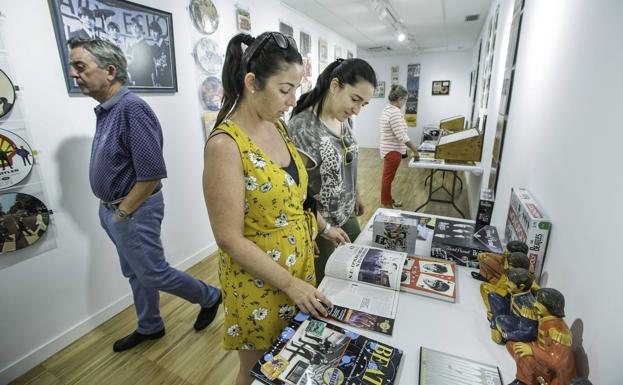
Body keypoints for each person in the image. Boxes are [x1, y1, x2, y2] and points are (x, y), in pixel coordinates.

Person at [203, 31, 347, 385]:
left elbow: (296, 197)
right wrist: (290, 284)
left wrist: (322, 228)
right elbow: (228, 239)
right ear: (252, 83)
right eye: (285, 90)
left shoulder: (277, 126)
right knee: (255, 371)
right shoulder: (225, 145)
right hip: (260, 284)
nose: (292, 99)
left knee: (288, 362)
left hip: (297, 271)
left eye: (295, 89)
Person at [67, 38, 221, 352]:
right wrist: (112, 213)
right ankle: (150, 326)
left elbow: (151, 173)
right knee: (136, 273)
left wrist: (123, 213)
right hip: (113, 211)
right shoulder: (109, 110)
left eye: (80, 66)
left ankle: (210, 295)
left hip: (133, 211)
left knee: (152, 272)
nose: (73, 73)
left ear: (109, 71)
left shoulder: (131, 109)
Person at [289, 58, 377, 282]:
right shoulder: (303, 127)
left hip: (345, 212)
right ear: (335, 86)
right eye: (355, 100)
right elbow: (294, 190)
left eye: (363, 104)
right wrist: (324, 227)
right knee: (328, 283)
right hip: (320, 221)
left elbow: (348, 157)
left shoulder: (342, 116)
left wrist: (356, 192)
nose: (357, 110)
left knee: (359, 266)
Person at [507, 288, 576, 385]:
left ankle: (524, 381)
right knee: (512, 344)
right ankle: (527, 373)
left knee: (525, 356)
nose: (535, 305)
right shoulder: (546, 319)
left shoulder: (557, 331)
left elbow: (557, 363)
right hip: (543, 357)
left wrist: (533, 351)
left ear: (550, 307)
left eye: (539, 303)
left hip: (552, 371)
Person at [378, 84, 420, 209]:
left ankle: (388, 200)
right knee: (387, 179)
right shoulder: (395, 113)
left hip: (389, 149)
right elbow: (402, 136)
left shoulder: (387, 109)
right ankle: (387, 204)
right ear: (400, 99)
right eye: (405, 100)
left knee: (388, 178)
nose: (404, 103)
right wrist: (415, 150)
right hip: (392, 151)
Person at [127, 19, 154, 87]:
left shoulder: (146, 46)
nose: (134, 30)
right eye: (133, 27)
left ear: (141, 30)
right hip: (133, 83)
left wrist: (134, 77)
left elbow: (150, 68)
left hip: (144, 83)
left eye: (137, 27)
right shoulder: (131, 46)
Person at [148, 21, 172, 87]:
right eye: (151, 32)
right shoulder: (152, 48)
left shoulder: (167, 47)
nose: (153, 34)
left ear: (159, 32)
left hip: (168, 82)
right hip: (158, 83)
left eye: (155, 31)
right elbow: (152, 67)